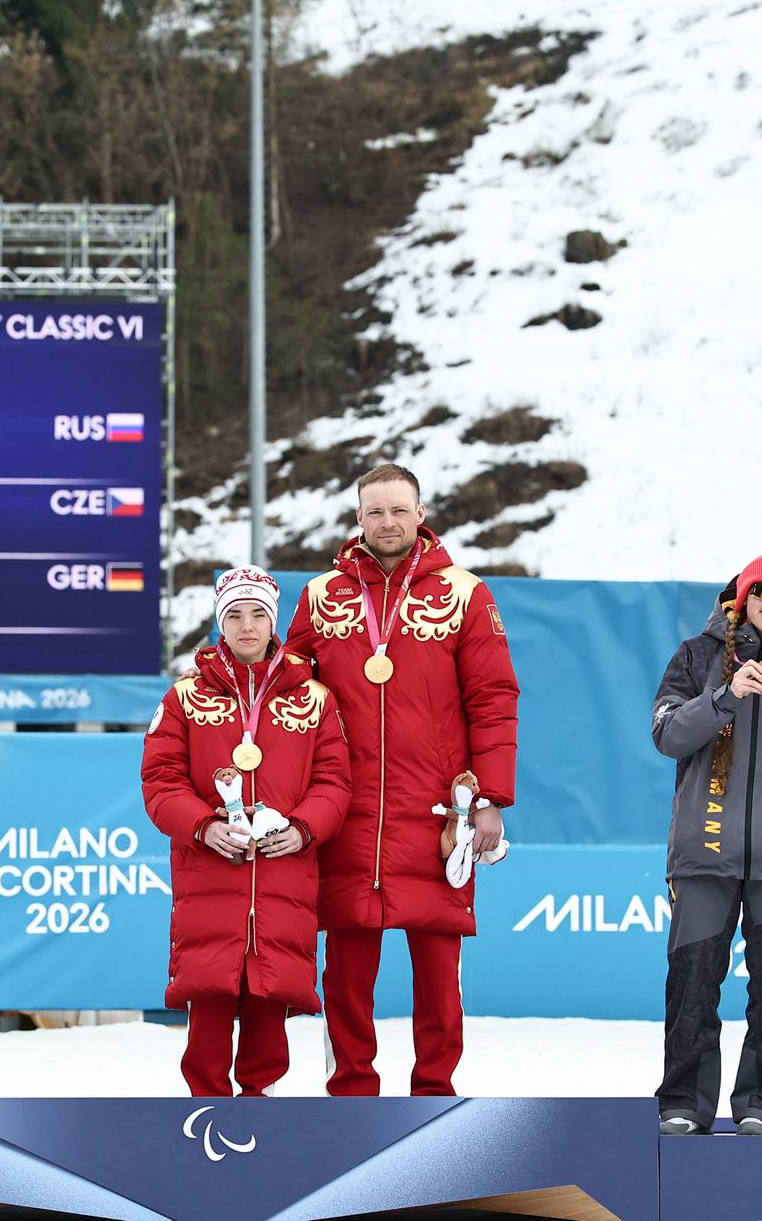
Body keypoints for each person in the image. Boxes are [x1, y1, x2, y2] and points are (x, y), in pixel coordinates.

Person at [284, 464, 519, 1096]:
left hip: (439, 814)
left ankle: (434, 1093)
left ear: (420, 515)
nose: (388, 523)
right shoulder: (319, 596)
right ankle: (350, 1091)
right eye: (375, 512)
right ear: (358, 518)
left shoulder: (465, 594)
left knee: (439, 971)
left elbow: (494, 699)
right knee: (346, 973)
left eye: (399, 511)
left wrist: (491, 798)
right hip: (346, 812)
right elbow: (288, 702)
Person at [142, 567, 351, 1097]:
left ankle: (262, 1115)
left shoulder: (316, 699)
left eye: (258, 613)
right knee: (208, 1008)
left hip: (284, 879)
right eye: (234, 614)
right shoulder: (183, 697)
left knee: (268, 1008)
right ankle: (205, 1115)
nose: (246, 625)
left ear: (274, 621)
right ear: (220, 623)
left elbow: (335, 782)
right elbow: (160, 781)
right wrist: (203, 827)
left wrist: (304, 829)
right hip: (210, 879)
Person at [650, 550, 762, 1137]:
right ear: (741, 596)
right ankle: (683, 1107)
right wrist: (725, 695)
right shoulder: (697, 656)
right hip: (703, 854)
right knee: (692, 985)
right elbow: (668, 735)